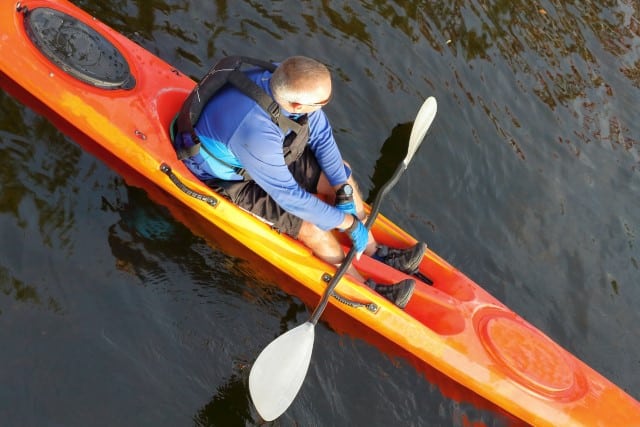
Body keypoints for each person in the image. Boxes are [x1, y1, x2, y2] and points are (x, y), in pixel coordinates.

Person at [172, 56, 426, 309]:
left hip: (267, 150)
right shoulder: (254, 131)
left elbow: (323, 137)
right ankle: (365, 291)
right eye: (322, 103)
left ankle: (374, 251)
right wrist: (348, 224)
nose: (324, 106)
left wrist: (343, 191)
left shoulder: (287, 81)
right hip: (230, 177)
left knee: (342, 174)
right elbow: (290, 198)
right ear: (296, 105)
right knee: (312, 229)